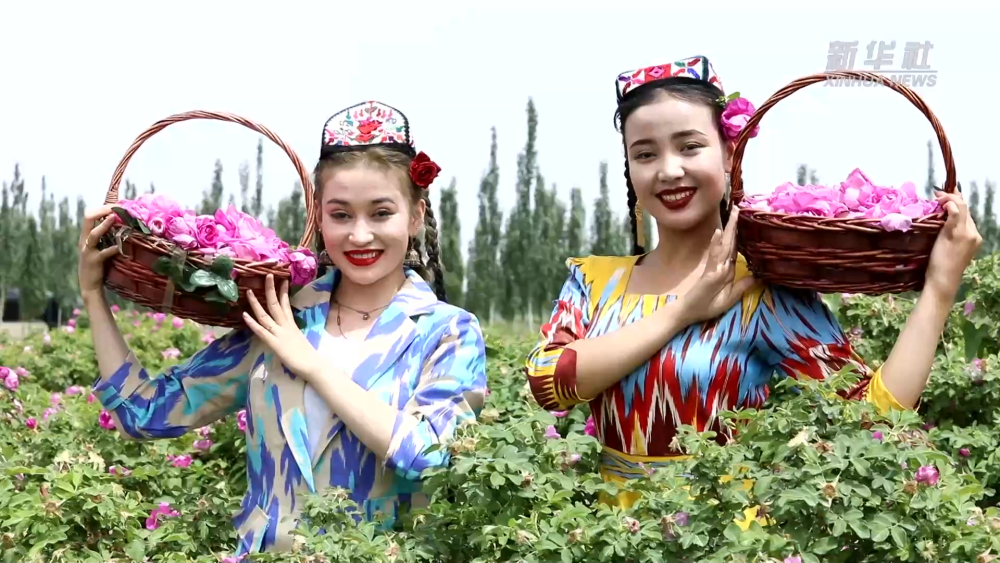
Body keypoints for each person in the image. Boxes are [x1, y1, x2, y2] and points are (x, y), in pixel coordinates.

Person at [524, 55, 982, 525]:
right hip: (613, 540)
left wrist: (940, 288)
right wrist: (684, 311)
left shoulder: (760, 290)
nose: (669, 170)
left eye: (690, 146)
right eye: (645, 154)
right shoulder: (596, 280)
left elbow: (874, 416)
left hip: (725, 539)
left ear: (729, 152)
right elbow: (546, 382)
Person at [79, 100, 488, 555]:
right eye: (340, 214)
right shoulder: (281, 317)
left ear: (415, 216)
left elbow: (432, 454)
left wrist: (313, 366)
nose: (359, 235)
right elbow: (144, 413)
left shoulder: (447, 333)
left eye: (381, 213)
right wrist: (94, 296)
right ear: (319, 217)